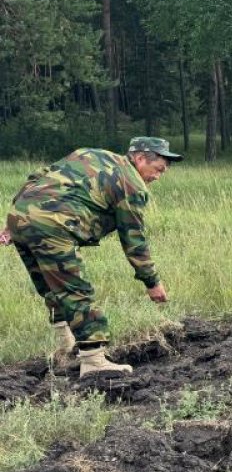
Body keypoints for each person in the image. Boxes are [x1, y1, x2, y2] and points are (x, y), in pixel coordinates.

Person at [2, 137, 181, 378]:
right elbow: (134, 239)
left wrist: (13, 221)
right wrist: (152, 282)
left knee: (52, 286)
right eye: (158, 169)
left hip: (20, 217)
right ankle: (94, 361)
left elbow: (37, 176)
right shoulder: (132, 184)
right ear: (140, 158)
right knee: (75, 290)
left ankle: (65, 348)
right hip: (52, 224)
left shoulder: (91, 153)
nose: (158, 177)